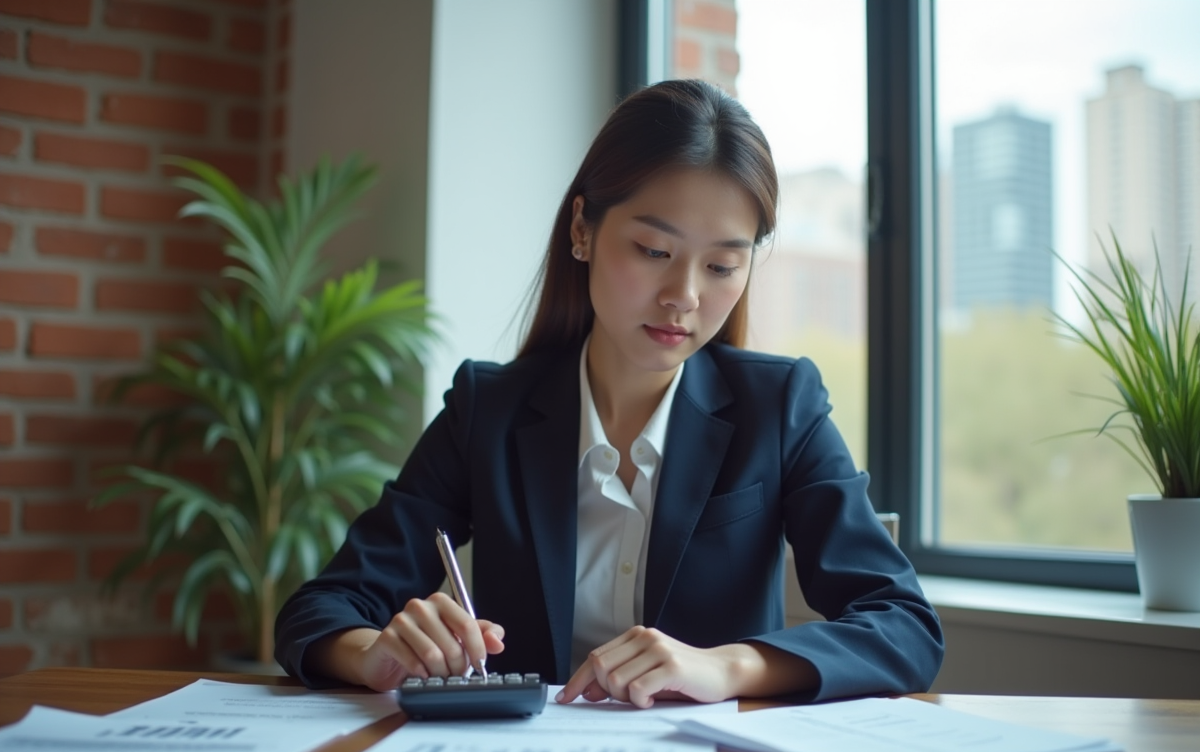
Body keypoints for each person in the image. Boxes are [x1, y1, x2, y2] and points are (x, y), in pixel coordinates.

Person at [275, 79, 943, 708]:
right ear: (582, 230)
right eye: (653, 250)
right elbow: (321, 610)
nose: (684, 295)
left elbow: (903, 625)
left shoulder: (780, 406)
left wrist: (727, 666)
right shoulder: (489, 410)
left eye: (720, 266)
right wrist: (374, 655)